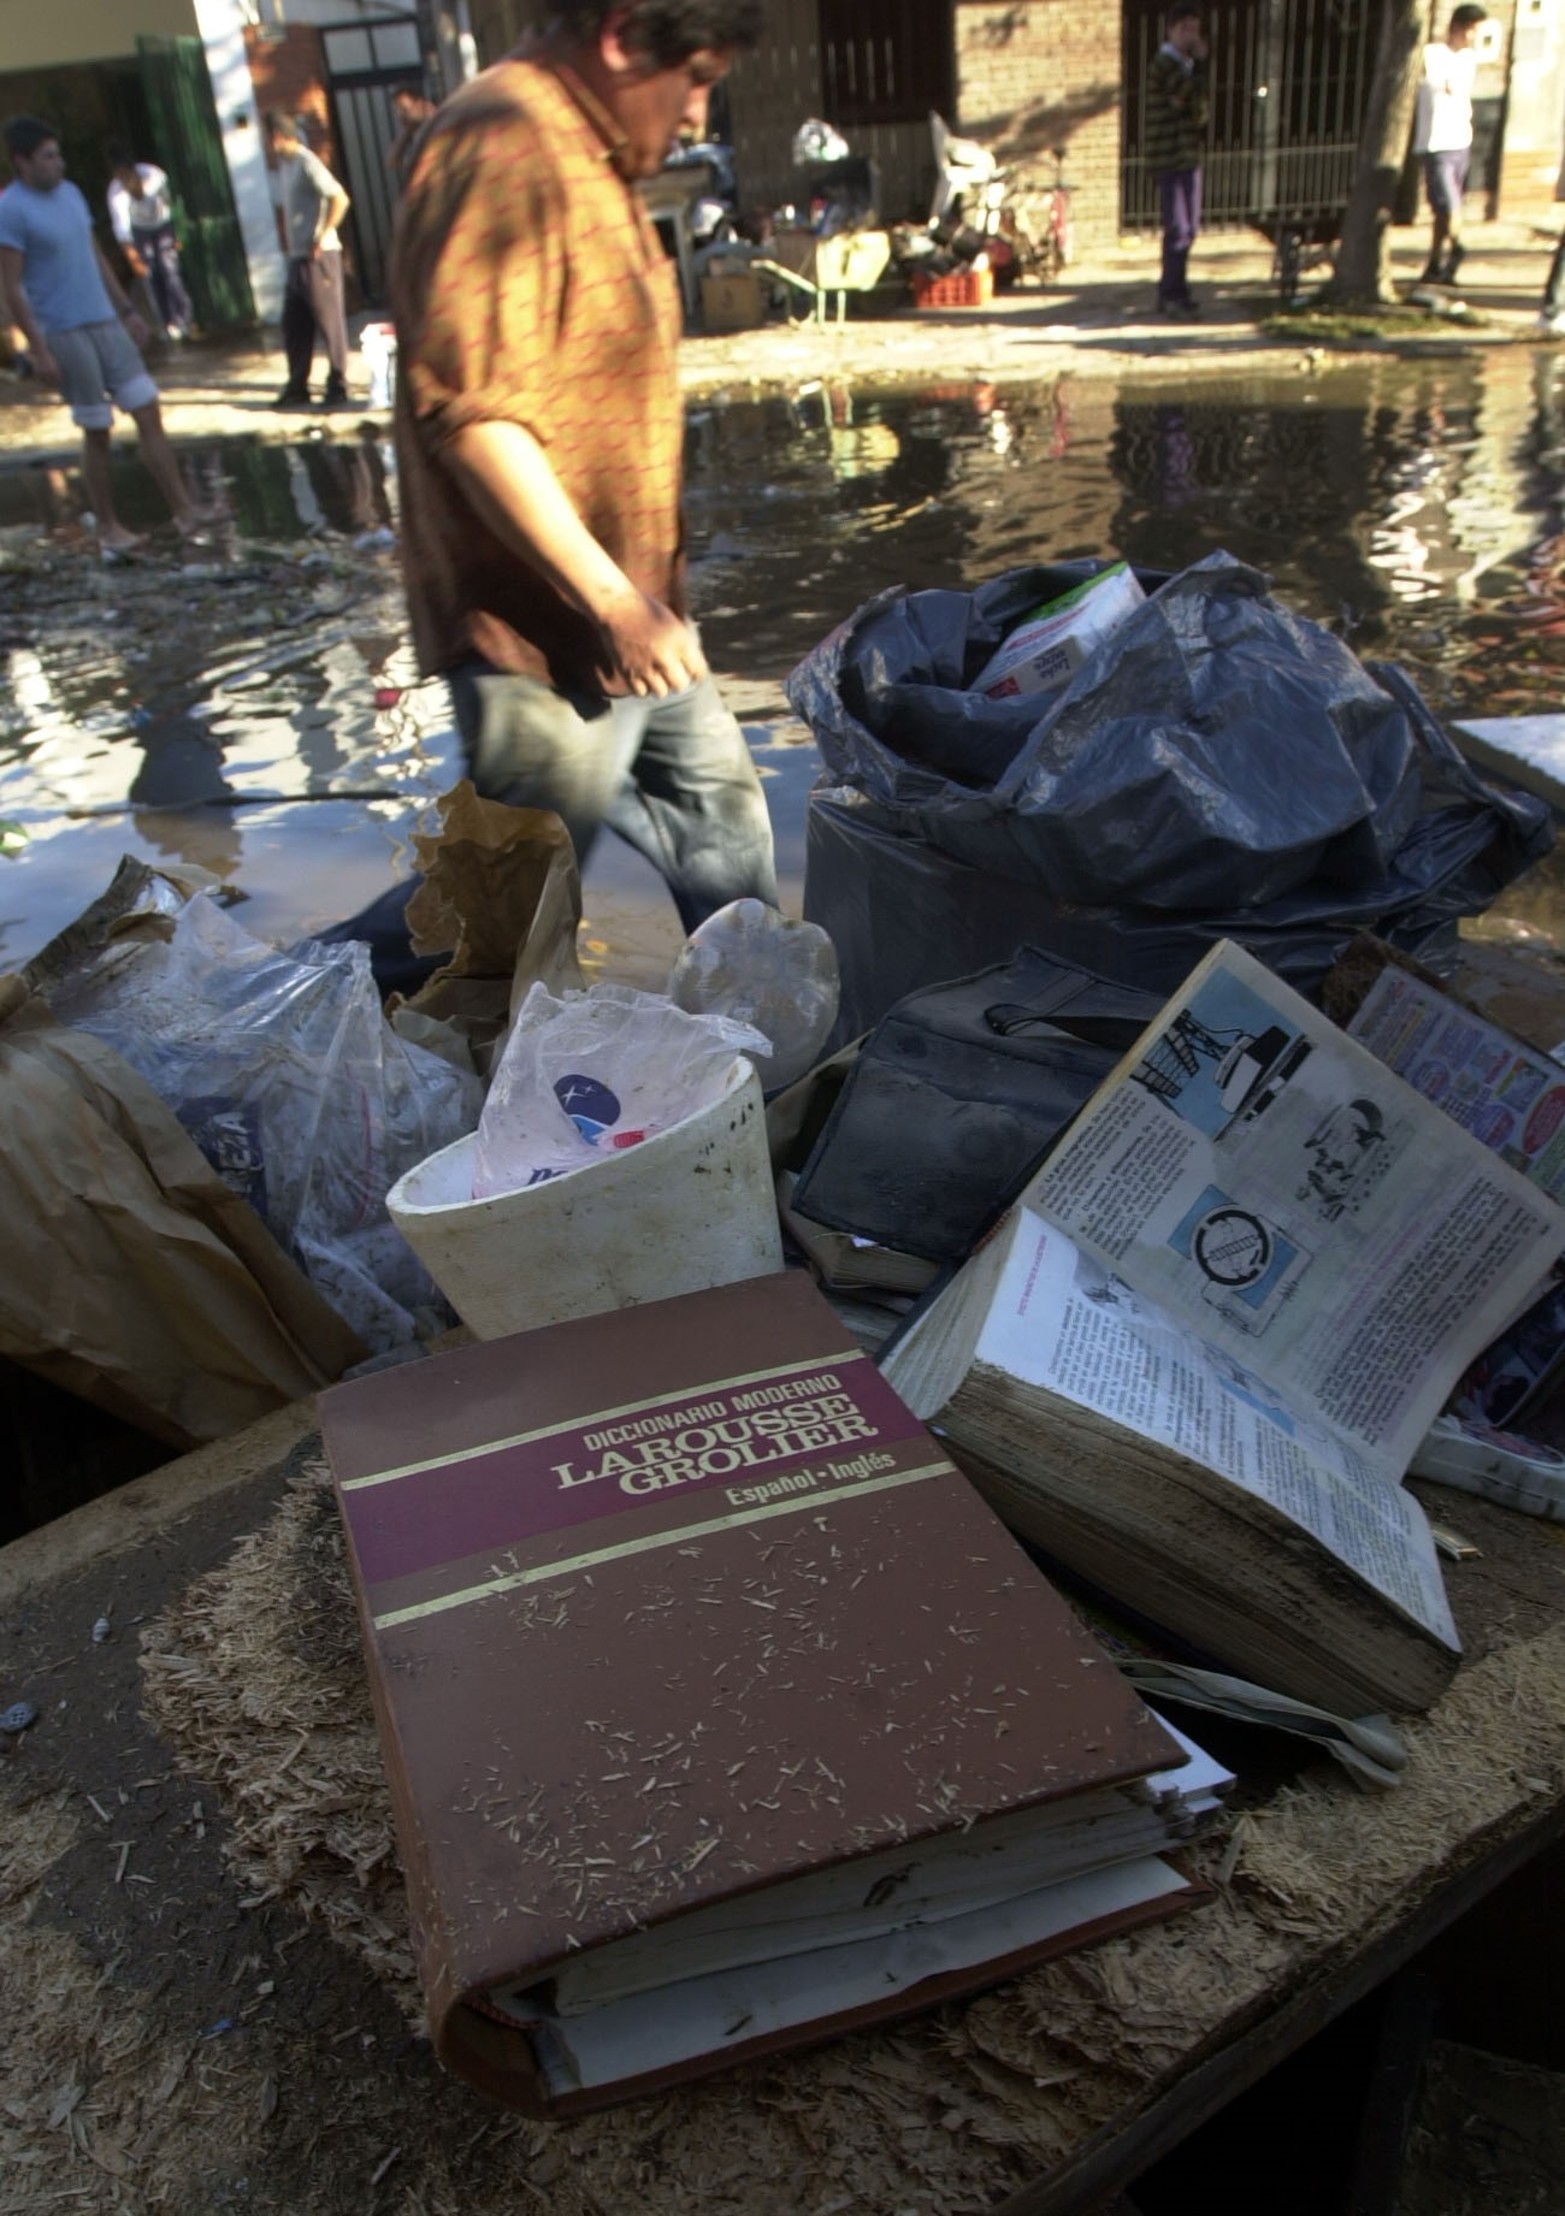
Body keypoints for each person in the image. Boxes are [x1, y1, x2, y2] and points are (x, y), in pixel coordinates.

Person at [390, 0, 778, 934]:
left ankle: (768, 1053)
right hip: (550, 634)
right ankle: (216, 1029)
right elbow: (471, 416)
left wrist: (639, 605)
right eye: (696, 81)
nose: (696, 116)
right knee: (490, 931)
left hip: (639, 619)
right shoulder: (501, 144)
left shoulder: (581, 149)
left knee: (727, 843)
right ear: (622, 38)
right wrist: (608, 603)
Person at [0, 115, 199, 553]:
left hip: (104, 320)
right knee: (97, 428)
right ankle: (108, 526)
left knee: (147, 408)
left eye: (58, 154)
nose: (60, 164)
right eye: (49, 157)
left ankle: (185, 512)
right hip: (63, 330)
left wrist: (127, 307)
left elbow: (95, 254)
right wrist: (38, 349)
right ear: (23, 161)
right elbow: (10, 286)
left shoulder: (70, 194)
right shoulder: (11, 209)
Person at [265, 112, 352, 410]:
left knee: (330, 323)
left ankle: (338, 384)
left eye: (271, 137)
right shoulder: (285, 166)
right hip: (297, 257)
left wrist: (323, 234)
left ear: (280, 136)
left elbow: (339, 198)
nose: (269, 144)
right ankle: (297, 385)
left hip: (320, 255)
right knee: (294, 323)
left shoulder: (307, 162)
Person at [1412, 5, 1487, 288]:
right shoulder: (1433, 55)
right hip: (1435, 141)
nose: (1473, 37)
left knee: (1444, 210)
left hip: (1460, 140)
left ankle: (1435, 262)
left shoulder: (1469, 59)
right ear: (1458, 26)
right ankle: (1458, 246)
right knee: (1447, 201)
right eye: (1471, 30)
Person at [1145, 7, 1209, 319]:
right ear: (1171, 30)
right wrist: (1200, 69)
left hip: (1188, 155)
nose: (1191, 37)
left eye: (1195, 30)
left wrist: (1192, 99)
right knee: (1178, 227)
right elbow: (1189, 94)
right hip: (1169, 154)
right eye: (1185, 29)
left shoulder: (1185, 65)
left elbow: (1200, 109)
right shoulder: (1165, 64)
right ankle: (1171, 294)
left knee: (1190, 229)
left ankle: (1178, 290)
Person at [105, 141, 193, 341]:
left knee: (170, 270)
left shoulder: (154, 176)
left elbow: (171, 203)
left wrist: (177, 232)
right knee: (151, 275)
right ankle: (167, 322)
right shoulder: (116, 193)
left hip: (162, 225)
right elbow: (122, 227)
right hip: (140, 231)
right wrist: (133, 257)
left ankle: (184, 318)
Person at [386, 84, 437, 191]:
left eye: (404, 109)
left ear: (420, 104)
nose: (400, 115)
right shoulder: (416, 130)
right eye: (398, 110)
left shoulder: (436, 126)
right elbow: (393, 161)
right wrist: (409, 130)